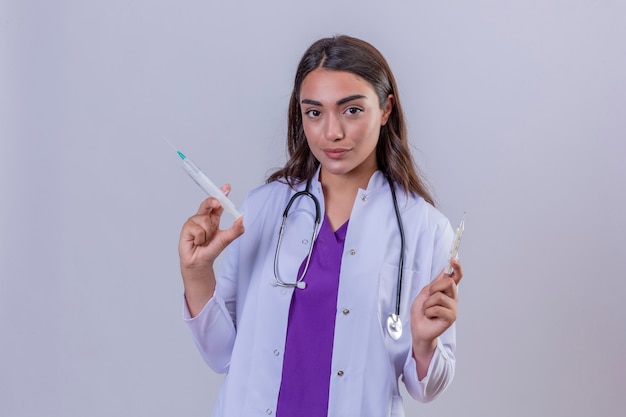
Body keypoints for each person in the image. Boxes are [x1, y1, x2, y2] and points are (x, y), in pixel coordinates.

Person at [178, 35, 464, 417]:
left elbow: (425, 388)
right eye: (314, 112)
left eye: (351, 111)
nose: (332, 133)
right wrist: (197, 275)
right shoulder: (264, 208)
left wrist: (425, 345)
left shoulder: (426, 229)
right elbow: (221, 354)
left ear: (385, 109)